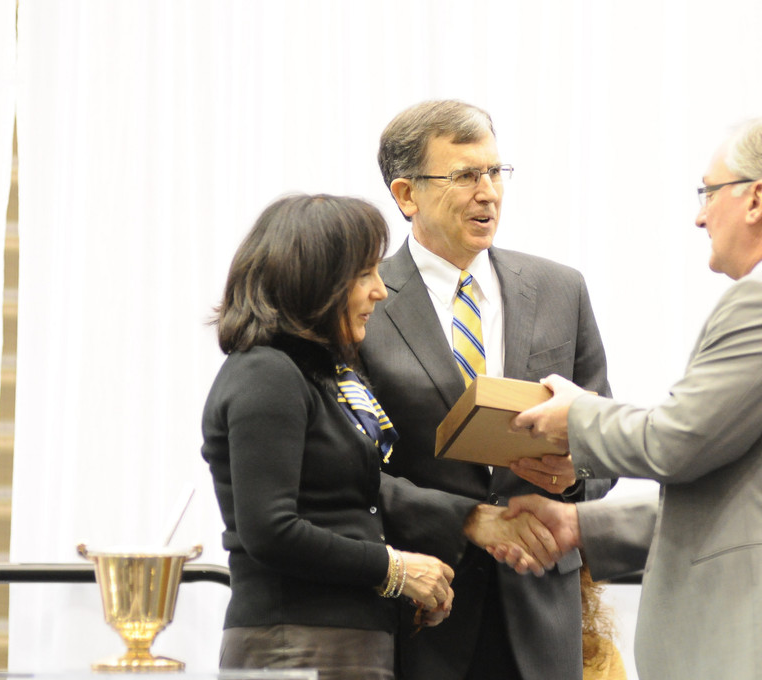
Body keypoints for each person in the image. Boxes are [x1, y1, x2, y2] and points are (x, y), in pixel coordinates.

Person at [503, 116, 762, 680]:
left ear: (758, 197)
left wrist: (576, 417)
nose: (699, 215)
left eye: (708, 192)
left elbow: (676, 441)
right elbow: (745, 498)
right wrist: (581, 527)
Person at [201, 194, 559, 679]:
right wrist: (396, 570)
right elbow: (270, 531)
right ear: (316, 281)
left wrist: (406, 584)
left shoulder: (321, 377)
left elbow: (349, 509)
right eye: (364, 274)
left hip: (347, 641)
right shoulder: (268, 374)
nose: (380, 291)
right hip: (294, 645)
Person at [358, 99, 613, 680]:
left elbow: (604, 435)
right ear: (406, 195)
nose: (489, 192)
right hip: (421, 612)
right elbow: (346, 471)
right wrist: (464, 517)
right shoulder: (363, 302)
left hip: (541, 606)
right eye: (466, 175)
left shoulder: (559, 290)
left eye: (496, 172)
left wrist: (575, 476)